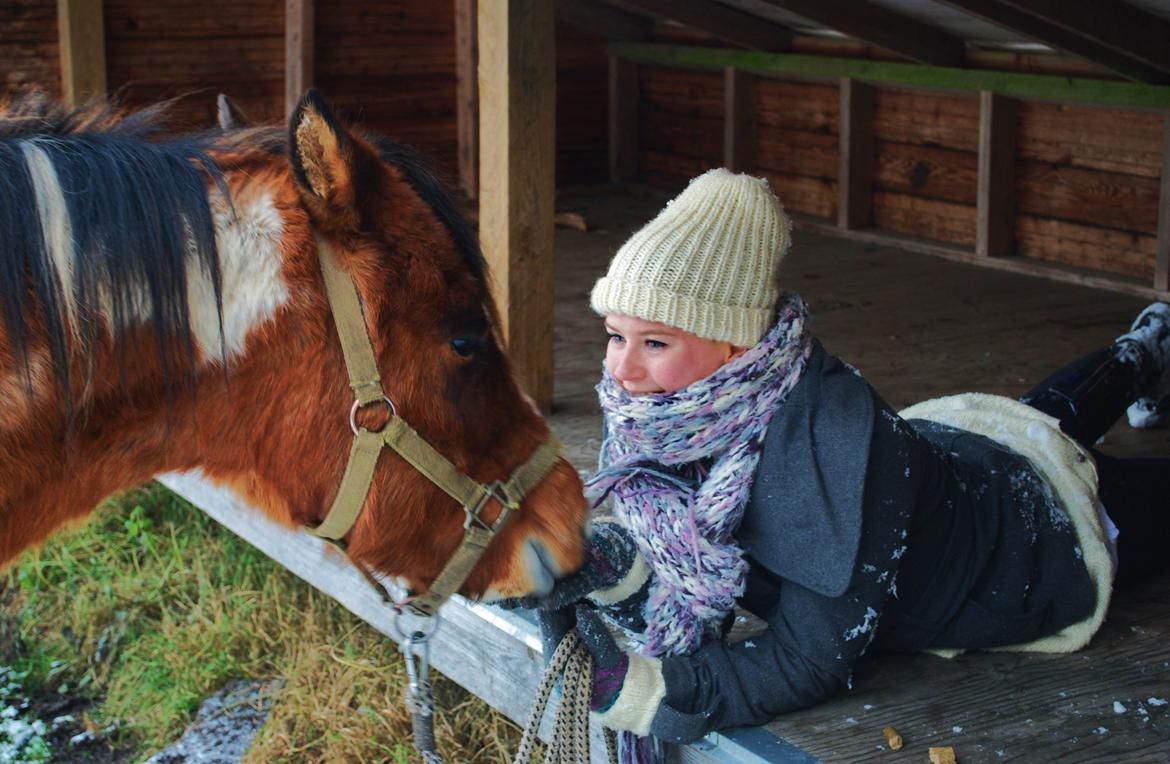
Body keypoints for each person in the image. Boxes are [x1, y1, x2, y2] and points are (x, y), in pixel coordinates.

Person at [524, 168, 1170, 758]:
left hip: (1026, 541)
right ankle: (1142, 350)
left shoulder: (833, 455)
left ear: (733, 343)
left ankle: (1143, 353)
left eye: (655, 342)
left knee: (1079, 458)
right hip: (955, 459)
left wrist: (633, 690)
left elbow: (809, 659)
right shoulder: (680, 406)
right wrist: (615, 566)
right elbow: (697, 557)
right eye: (615, 335)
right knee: (1038, 417)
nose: (621, 368)